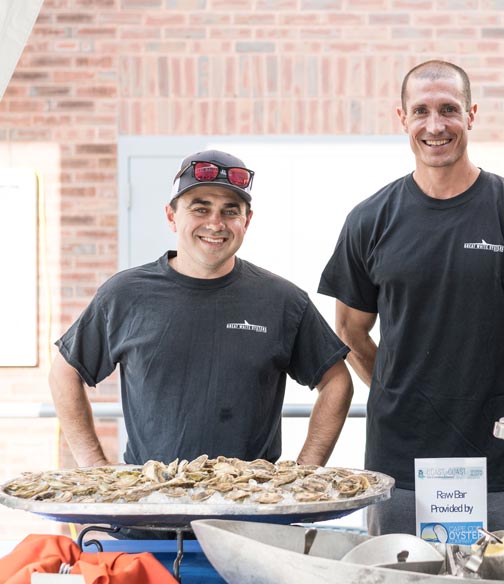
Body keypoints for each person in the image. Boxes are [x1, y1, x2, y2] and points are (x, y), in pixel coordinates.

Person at [319, 60, 504, 535]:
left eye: (448, 109)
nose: (435, 125)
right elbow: (349, 330)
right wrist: (402, 390)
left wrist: (499, 400)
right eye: (420, 111)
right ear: (402, 119)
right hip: (398, 463)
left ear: (472, 115)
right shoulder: (370, 220)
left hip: (497, 461)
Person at [50, 149, 353, 470]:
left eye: (230, 211)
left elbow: (336, 382)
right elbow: (64, 373)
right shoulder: (125, 295)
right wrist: (94, 466)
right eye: (200, 208)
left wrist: (306, 469)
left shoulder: (283, 300)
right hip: (151, 507)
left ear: (246, 221)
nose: (215, 223)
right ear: (171, 216)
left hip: (251, 508)